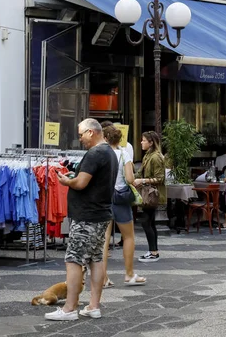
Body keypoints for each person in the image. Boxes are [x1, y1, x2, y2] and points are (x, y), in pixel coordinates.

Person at [46, 118, 118, 321]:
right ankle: (93, 306)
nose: (80, 139)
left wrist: (67, 180)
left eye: (81, 134)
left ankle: (69, 309)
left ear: (91, 132)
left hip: (87, 216)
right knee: (95, 258)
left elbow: (81, 183)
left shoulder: (95, 153)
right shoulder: (109, 152)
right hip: (101, 214)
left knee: (74, 259)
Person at [101, 126, 146, 288]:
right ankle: (129, 274)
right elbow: (129, 178)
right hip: (120, 199)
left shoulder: (101, 154)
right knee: (128, 236)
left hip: (104, 199)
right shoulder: (123, 154)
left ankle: (103, 278)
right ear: (119, 139)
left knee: (104, 239)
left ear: (105, 138)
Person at [133, 131, 166, 263]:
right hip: (149, 193)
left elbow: (160, 178)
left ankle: (153, 252)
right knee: (149, 222)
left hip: (152, 194)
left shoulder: (156, 157)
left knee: (147, 221)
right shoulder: (148, 155)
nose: (141, 142)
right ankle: (153, 251)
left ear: (151, 142)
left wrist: (143, 181)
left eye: (144, 140)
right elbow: (139, 173)